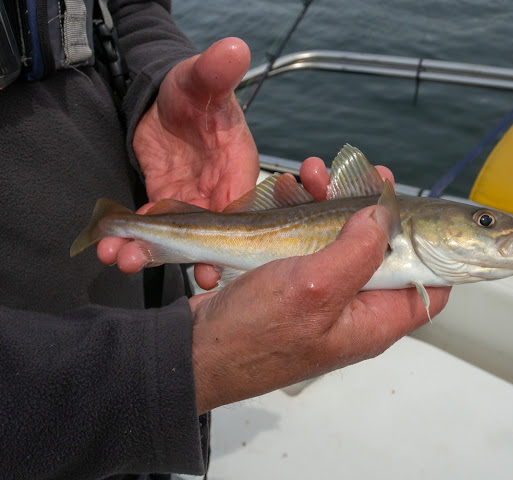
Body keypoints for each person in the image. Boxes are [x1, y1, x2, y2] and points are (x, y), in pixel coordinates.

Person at [0, 1, 450, 478]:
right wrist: (179, 365)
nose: (501, 231)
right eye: (483, 222)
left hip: (140, 209)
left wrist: (157, 79)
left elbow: (129, 6)